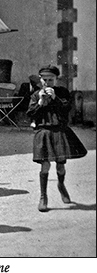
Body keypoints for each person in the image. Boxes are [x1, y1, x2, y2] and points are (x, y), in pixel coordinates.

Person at [26, 65, 87, 212]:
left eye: (50, 79)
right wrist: (40, 102)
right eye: (44, 80)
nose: (47, 82)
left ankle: (61, 185)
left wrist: (54, 98)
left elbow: (67, 109)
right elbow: (30, 114)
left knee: (60, 165)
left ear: (56, 79)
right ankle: (43, 197)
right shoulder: (35, 94)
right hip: (44, 131)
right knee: (45, 165)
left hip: (59, 131)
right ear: (40, 80)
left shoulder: (62, 92)